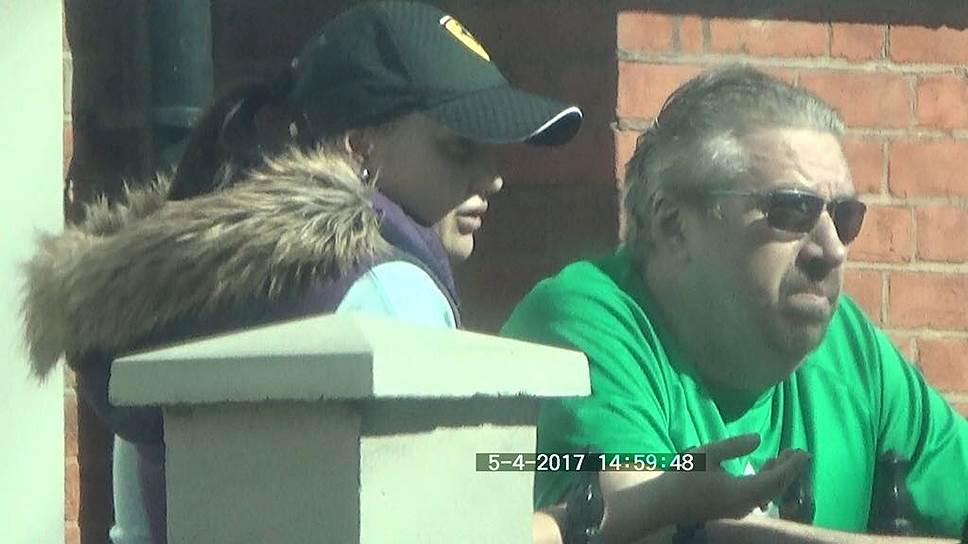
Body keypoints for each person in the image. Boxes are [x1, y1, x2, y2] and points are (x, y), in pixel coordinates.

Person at [20, 2, 584, 543]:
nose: (493, 178)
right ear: (360, 147)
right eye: (459, 149)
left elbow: (136, 528)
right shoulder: (389, 293)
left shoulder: (182, 291)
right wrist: (564, 527)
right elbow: (434, 523)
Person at [503, 65, 968, 543]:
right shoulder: (584, 321)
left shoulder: (849, 348)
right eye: (792, 209)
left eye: (845, 216)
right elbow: (647, 526)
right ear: (673, 225)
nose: (832, 249)